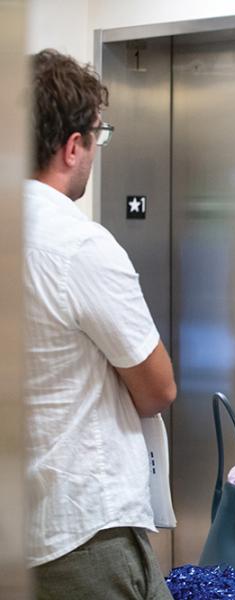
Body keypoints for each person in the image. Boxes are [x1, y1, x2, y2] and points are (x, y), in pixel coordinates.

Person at [24, 49, 177, 599]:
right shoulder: (78, 245)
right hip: (82, 529)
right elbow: (158, 388)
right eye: (97, 136)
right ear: (72, 146)